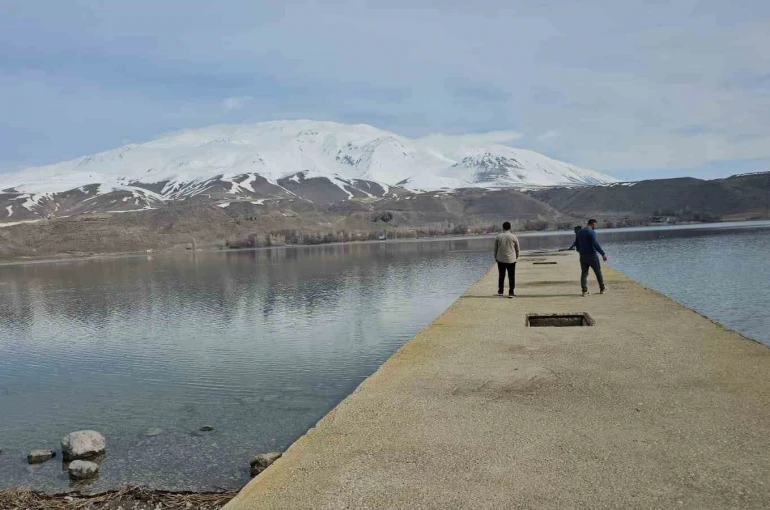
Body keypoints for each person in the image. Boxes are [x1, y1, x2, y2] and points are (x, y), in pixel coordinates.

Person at [575, 219, 608, 296]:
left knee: (584, 273)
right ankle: (602, 289)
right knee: (598, 272)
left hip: (583, 256)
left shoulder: (579, 232)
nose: (596, 227)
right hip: (592, 255)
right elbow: (595, 244)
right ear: (593, 224)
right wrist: (603, 254)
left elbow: (576, 244)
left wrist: (581, 252)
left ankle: (584, 291)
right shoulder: (591, 232)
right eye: (596, 225)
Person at [494, 221, 521, 298]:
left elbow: (495, 249)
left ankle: (501, 291)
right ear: (510, 228)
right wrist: (516, 257)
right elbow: (517, 249)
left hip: (501, 259)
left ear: (503, 227)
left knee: (501, 275)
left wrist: (496, 257)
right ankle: (511, 293)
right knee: (511, 276)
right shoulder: (513, 236)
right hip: (511, 260)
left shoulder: (498, 237)